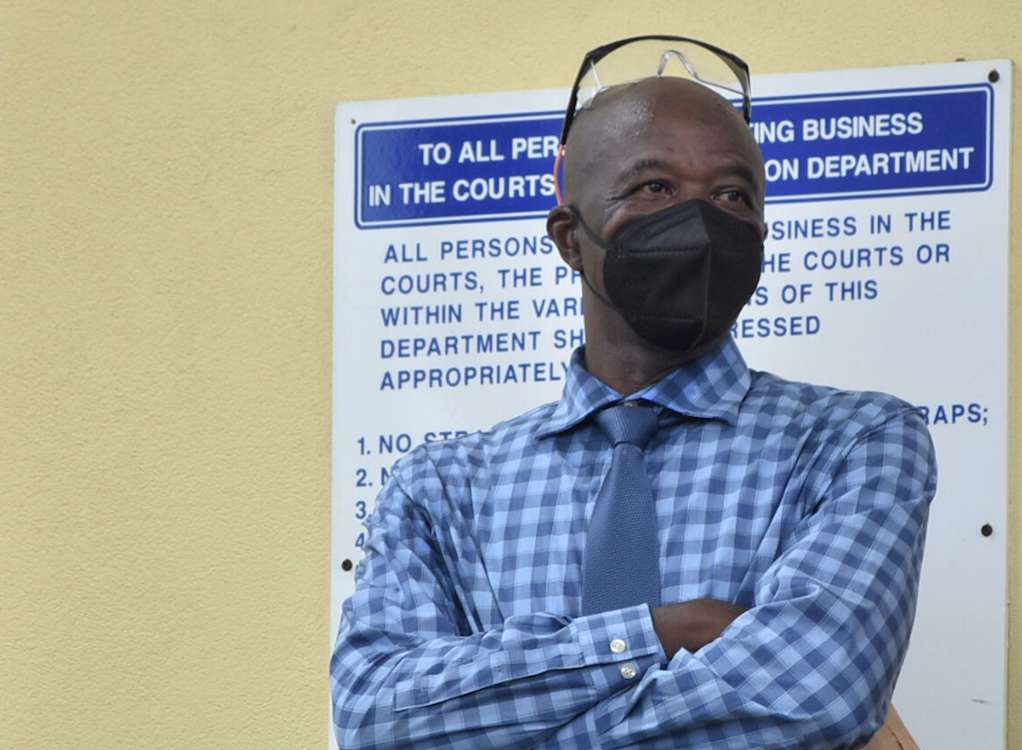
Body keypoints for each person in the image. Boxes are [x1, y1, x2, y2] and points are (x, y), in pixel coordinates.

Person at [331, 36, 936, 750]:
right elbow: (376, 715)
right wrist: (664, 631)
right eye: (654, 188)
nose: (702, 219)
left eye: (733, 195)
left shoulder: (854, 444)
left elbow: (813, 690)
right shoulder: (441, 490)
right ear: (570, 239)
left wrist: (501, 718)